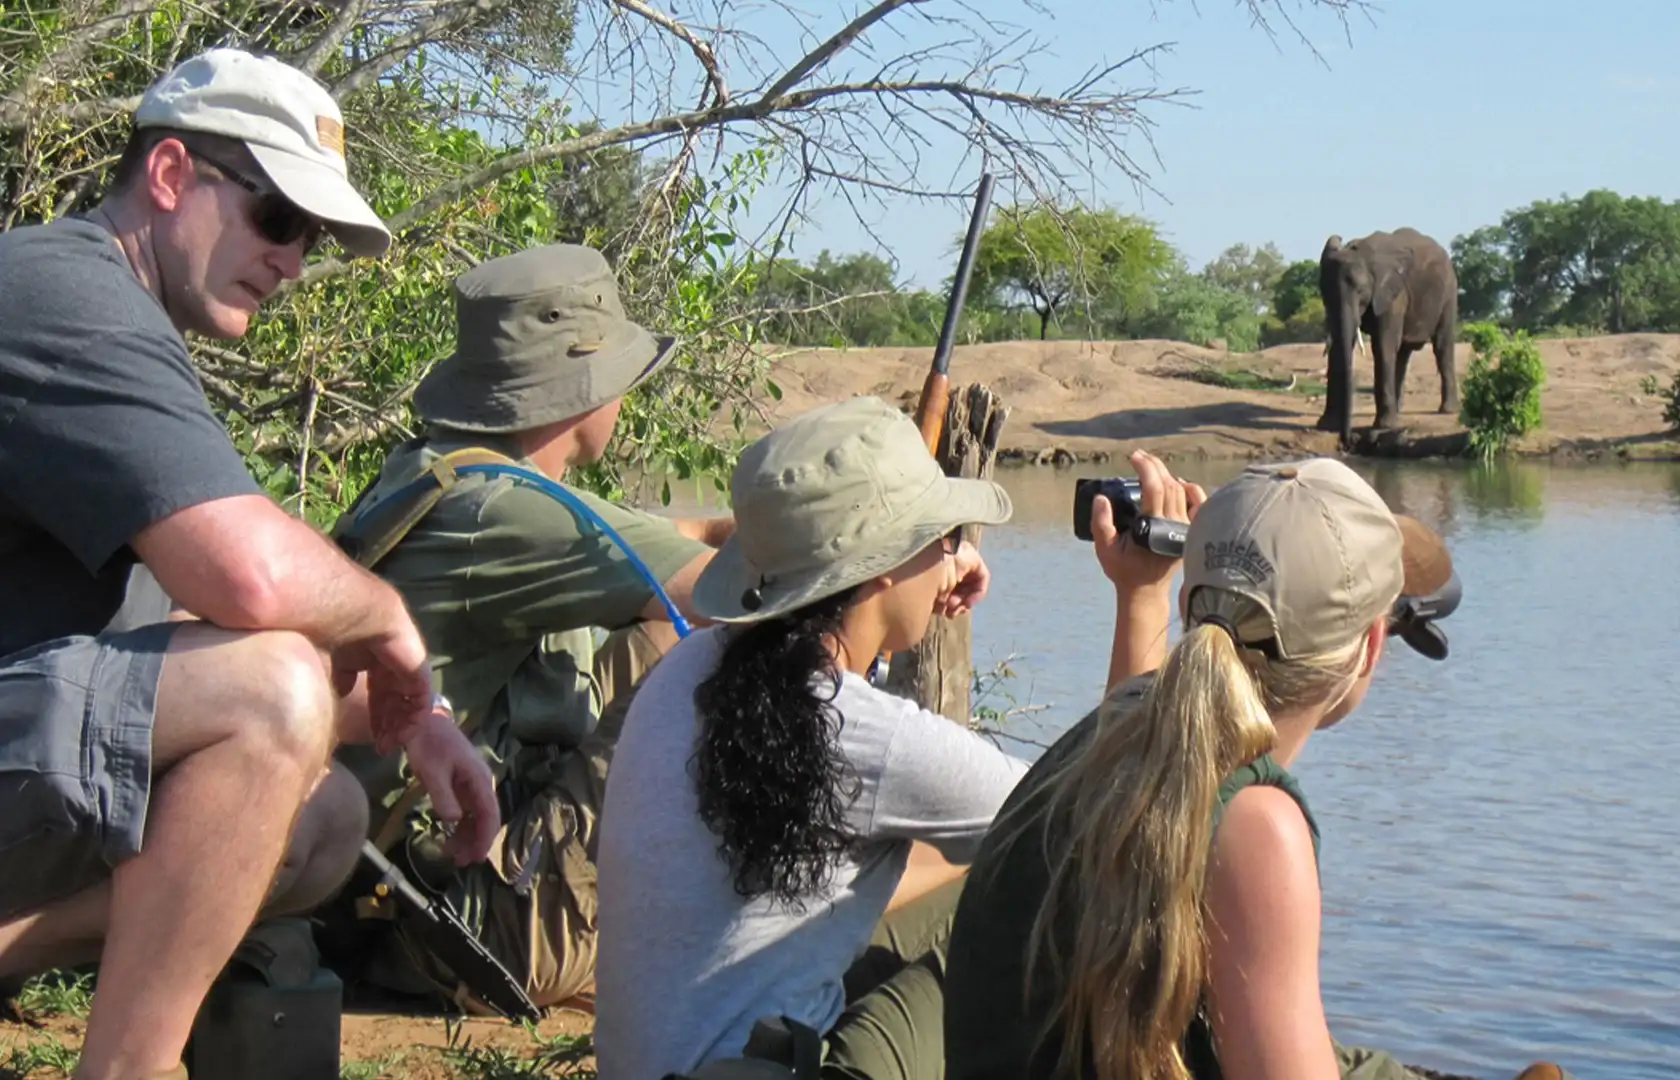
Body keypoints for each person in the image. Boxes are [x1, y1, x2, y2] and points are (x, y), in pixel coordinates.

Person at [0, 47, 496, 1080]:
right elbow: (254, 582)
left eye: (308, 237)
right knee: (268, 695)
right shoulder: (60, 291)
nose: (293, 260)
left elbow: (175, 642)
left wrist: (418, 718)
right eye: (278, 219)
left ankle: (18, 946)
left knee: (326, 813)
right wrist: (392, 629)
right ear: (173, 176)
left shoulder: (128, 329)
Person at [597, 397, 1180, 1080]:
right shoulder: (863, 735)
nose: (951, 552)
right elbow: (1114, 824)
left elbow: (838, 689)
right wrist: (1144, 594)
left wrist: (922, 576)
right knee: (1052, 902)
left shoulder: (696, 669)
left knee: (972, 865)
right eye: (938, 536)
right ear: (878, 569)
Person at [942, 457, 1569, 1080]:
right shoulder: (1257, 827)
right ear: (1371, 647)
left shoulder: (1118, 732)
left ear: (1190, 605)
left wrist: (1139, 592)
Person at [326, 242, 730, 1012]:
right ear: (584, 389)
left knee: (655, 639)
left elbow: (676, 537)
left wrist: (734, 526)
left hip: (389, 889)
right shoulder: (509, 514)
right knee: (701, 653)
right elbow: (738, 596)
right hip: (474, 931)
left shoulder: (446, 468)